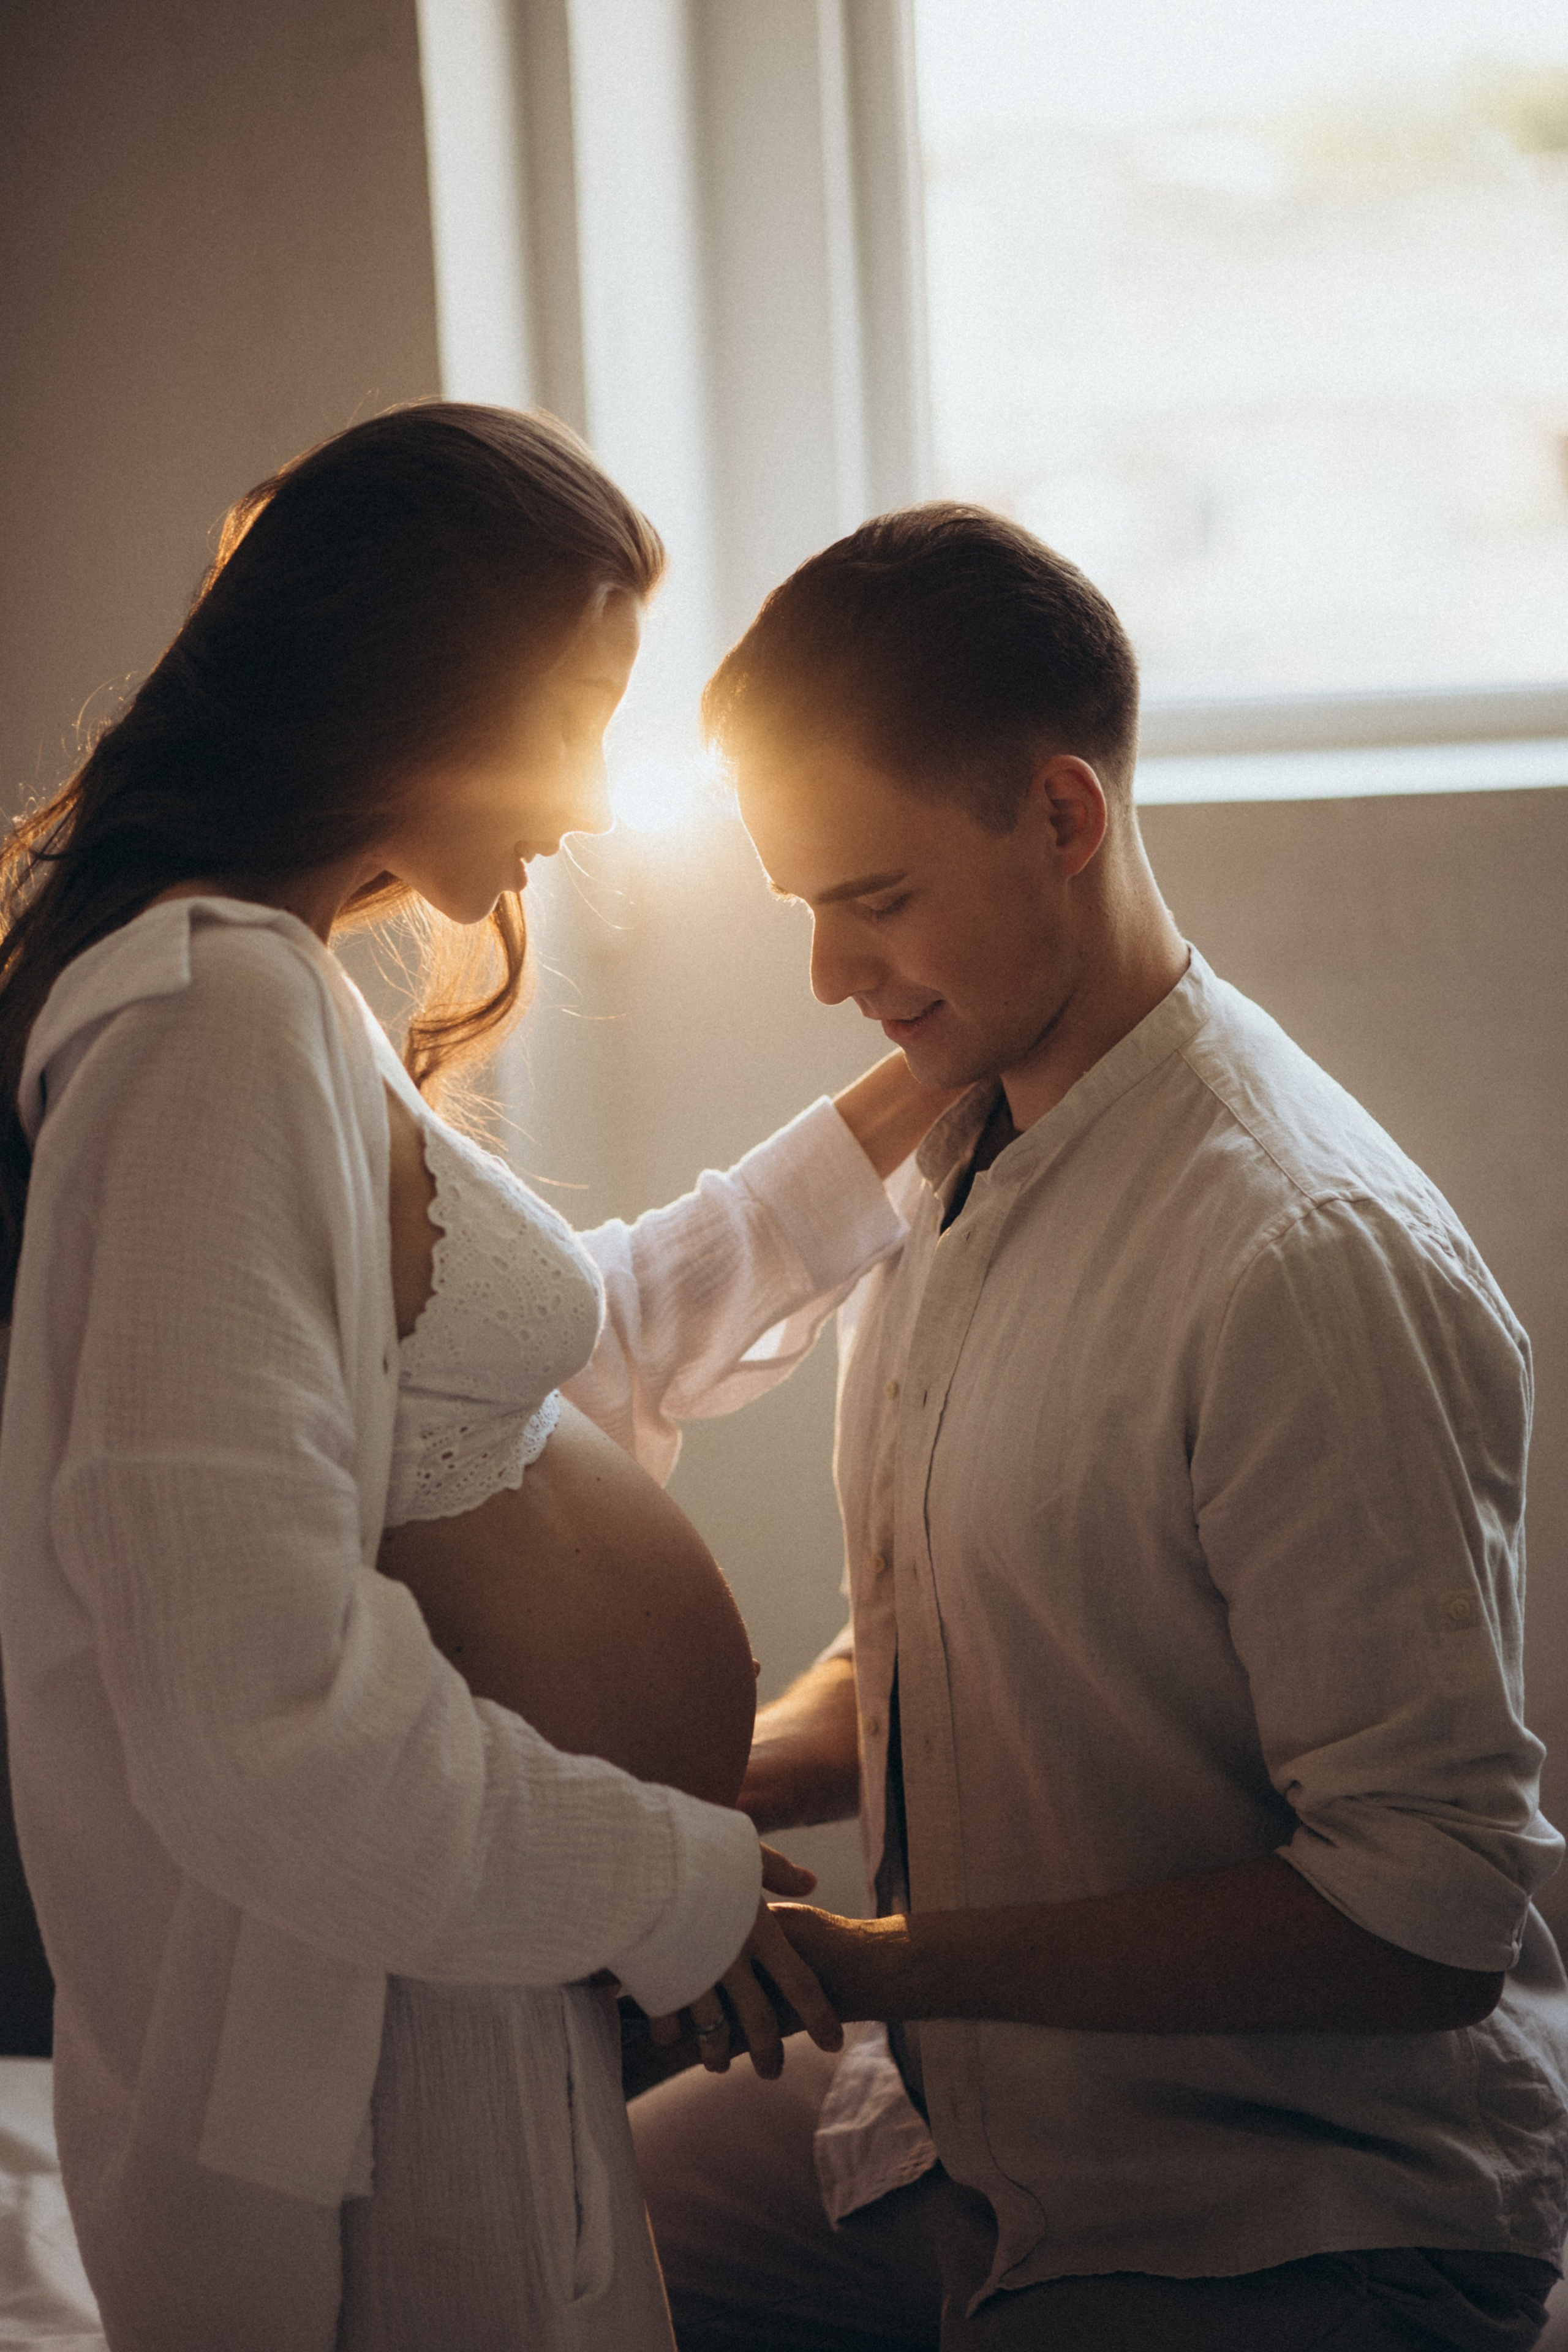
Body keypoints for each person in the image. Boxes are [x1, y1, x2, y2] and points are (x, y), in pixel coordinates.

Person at [0, 404, 956, 2351]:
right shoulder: (208, 1027)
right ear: (410, 680)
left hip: (453, 2005)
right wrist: (673, 1885)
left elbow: (518, 1382)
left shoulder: (271, 993)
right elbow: (257, 1718)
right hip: (377, 2088)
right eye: (577, 716)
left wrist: (931, 1076)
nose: (591, 800)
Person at [631, 505, 1568, 2351]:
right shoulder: (960, 1145)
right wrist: (676, 1798)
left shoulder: (1301, 1259)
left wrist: (877, 1965)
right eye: (802, 906)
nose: (828, 975)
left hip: (1283, 2203)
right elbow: (963, 1633)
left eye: (873, 899)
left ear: (1063, 816)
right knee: (517, 2249)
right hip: (947, 2121)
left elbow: (1429, 1910)